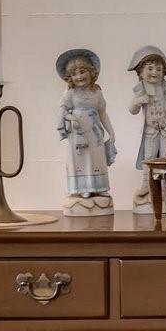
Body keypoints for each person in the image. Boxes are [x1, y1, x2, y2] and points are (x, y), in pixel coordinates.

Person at [126, 44, 166, 206]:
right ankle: (146, 186)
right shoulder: (140, 89)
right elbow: (132, 110)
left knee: (165, 160)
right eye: (150, 68)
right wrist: (138, 101)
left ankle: (165, 190)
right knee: (149, 159)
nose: (154, 72)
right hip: (150, 131)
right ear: (140, 72)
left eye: (159, 69)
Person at [55, 48, 117, 213]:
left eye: (82, 72)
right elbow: (62, 111)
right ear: (70, 78)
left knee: (97, 159)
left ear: (91, 72)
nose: (79, 76)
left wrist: (111, 132)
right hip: (78, 134)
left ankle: (99, 187)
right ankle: (82, 188)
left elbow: (103, 113)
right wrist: (71, 118)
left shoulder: (97, 92)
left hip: (94, 133)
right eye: (74, 74)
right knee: (81, 161)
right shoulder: (70, 93)